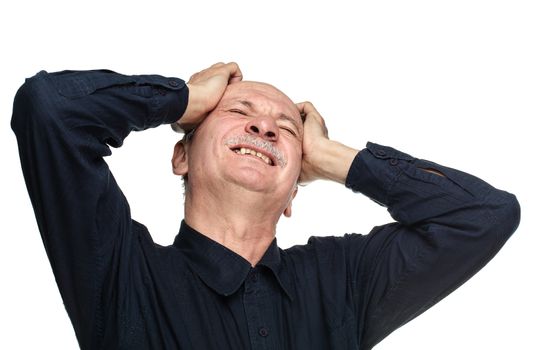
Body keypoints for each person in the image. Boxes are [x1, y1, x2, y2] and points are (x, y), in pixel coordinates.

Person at [11, 62, 520, 350]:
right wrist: (183, 98)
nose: (264, 127)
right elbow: (49, 108)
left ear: (296, 189)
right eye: (238, 111)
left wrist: (332, 157)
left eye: (286, 128)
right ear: (181, 156)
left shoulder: (340, 283)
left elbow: (484, 216)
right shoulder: (123, 275)